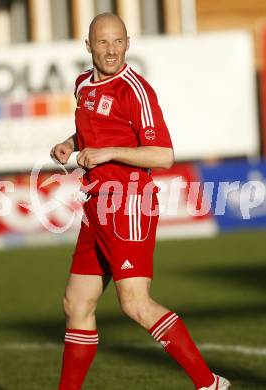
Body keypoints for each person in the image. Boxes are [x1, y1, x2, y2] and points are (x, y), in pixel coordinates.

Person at [51, 12, 230, 390]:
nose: (111, 50)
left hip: (128, 203)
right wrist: (73, 143)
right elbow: (93, 130)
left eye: (118, 41)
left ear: (128, 43)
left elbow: (163, 155)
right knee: (75, 304)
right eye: (103, 42)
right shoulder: (84, 84)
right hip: (96, 203)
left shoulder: (135, 90)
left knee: (134, 303)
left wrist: (106, 153)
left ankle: (209, 384)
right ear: (89, 47)